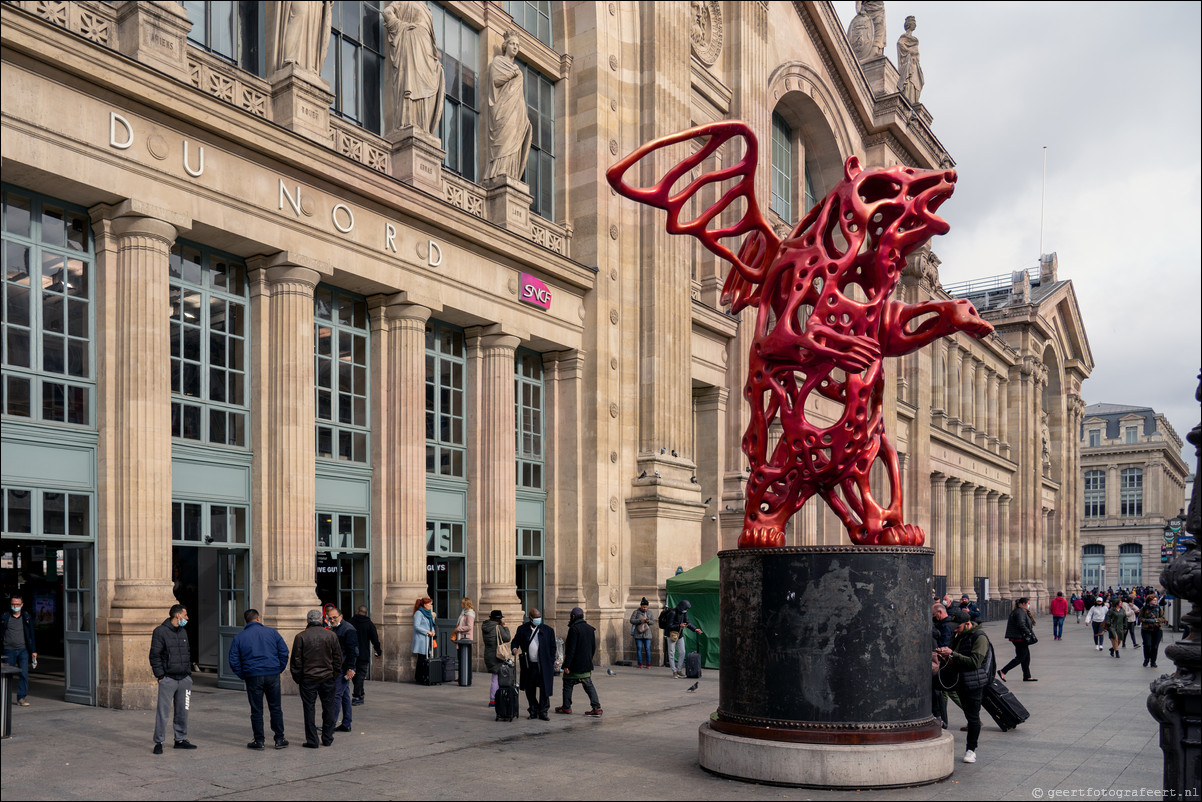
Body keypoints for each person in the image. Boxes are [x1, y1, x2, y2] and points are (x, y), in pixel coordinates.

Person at [934, 609, 993, 764]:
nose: (955, 629)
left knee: (973, 717)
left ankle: (971, 749)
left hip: (974, 682)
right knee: (966, 712)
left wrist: (953, 654)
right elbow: (955, 655)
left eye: (957, 627)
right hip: (959, 680)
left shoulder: (980, 637)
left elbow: (975, 662)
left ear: (967, 624)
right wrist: (945, 653)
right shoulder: (958, 634)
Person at [228, 609, 290, 750]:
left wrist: (243, 674)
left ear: (246, 620)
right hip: (272, 673)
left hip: (253, 675)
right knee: (275, 707)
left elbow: (233, 660)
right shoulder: (272, 632)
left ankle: (259, 740)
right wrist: (278, 668)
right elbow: (284, 652)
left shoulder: (239, 637)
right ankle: (279, 738)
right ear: (258, 618)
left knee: (256, 710)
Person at [382, 0, 445, 135]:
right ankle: (408, 122)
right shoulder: (403, 2)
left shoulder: (426, 8)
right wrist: (402, 26)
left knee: (425, 86)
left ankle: (422, 127)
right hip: (412, 43)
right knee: (410, 82)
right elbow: (387, 12)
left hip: (426, 50)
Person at [484, 29, 533, 181]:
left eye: (517, 45)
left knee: (513, 141)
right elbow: (495, 81)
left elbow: (520, 96)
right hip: (502, 109)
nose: (515, 47)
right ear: (505, 46)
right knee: (504, 141)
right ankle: (497, 172)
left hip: (516, 111)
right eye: (512, 44)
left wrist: (524, 116)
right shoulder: (498, 63)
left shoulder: (518, 70)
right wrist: (511, 74)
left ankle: (509, 173)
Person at [149, 604, 196, 754]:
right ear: (178, 616)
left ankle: (180, 739)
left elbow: (187, 653)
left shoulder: (183, 632)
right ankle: (159, 742)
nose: (187, 618)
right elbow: (154, 656)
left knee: (183, 711)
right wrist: (160, 676)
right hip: (168, 678)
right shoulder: (160, 632)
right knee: (163, 712)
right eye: (185, 615)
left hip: (184, 679)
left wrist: (188, 674)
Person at [291, 609, 341, 748]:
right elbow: (338, 658)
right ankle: (327, 737)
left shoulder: (301, 636)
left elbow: (296, 661)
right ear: (321, 620)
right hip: (327, 677)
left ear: (307, 621)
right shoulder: (331, 635)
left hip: (308, 679)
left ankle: (312, 740)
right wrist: (334, 674)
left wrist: (299, 678)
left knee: (309, 709)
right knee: (329, 708)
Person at [555, 607, 603, 717]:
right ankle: (597, 708)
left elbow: (570, 650)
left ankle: (566, 707)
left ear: (573, 616)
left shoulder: (574, 629)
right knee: (588, 685)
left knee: (567, 683)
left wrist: (566, 665)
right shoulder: (590, 629)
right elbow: (593, 648)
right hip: (586, 664)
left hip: (574, 665)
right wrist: (589, 664)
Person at [512, 607, 555, 720]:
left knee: (544, 689)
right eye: (535, 617)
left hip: (544, 665)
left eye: (539, 617)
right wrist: (514, 648)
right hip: (529, 665)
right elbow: (515, 641)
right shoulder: (522, 629)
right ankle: (533, 709)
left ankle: (543, 711)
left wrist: (550, 661)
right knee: (529, 688)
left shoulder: (548, 630)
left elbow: (553, 647)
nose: (538, 619)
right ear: (530, 618)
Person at [326, 607, 358, 731]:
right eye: (330, 618)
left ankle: (330, 725)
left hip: (343, 667)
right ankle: (346, 723)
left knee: (336, 696)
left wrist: (351, 668)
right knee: (344, 695)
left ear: (341, 616)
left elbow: (352, 651)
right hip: (341, 666)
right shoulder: (337, 628)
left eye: (335, 617)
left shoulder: (348, 629)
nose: (333, 620)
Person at [1, 594, 37, 707]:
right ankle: (5, 699)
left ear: (22, 605)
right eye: (13, 604)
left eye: (17, 604)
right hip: (8, 651)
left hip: (23, 650)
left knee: (24, 674)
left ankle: (21, 698)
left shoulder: (26, 617)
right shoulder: (5, 617)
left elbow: (31, 634)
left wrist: (33, 650)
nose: (15, 606)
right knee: (7, 676)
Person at [349, 606, 382, 706]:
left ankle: (360, 693)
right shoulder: (369, 624)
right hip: (363, 654)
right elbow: (375, 639)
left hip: (352, 653)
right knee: (360, 676)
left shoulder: (350, 622)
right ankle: (357, 696)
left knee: (355, 676)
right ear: (366, 613)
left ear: (357, 611)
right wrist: (378, 651)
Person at [999, 597, 1037, 682]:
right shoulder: (1020, 612)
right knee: (1021, 657)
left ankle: (1027, 676)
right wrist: (1029, 633)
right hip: (1019, 638)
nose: (1029, 605)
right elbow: (1021, 624)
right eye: (1028, 603)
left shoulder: (1019, 611)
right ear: (1023, 604)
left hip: (1018, 637)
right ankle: (1003, 671)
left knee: (1026, 657)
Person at [930, 602, 954, 729]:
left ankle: (942, 719)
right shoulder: (941, 625)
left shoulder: (945, 626)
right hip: (942, 663)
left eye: (935, 615)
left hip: (943, 663)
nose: (934, 618)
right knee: (943, 694)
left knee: (946, 693)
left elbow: (945, 644)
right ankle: (943, 720)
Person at [665, 600, 703, 679]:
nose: (686, 610)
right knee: (671, 653)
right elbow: (669, 626)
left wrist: (695, 629)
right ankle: (674, 671)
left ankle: (679, 670)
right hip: (671, 635)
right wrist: (679, 625)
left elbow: (687, 623)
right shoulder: (672, 613)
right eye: (686, 608)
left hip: (679, 634)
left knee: (682, 652)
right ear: (682, 607)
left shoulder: (684, 613)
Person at [481, 609, 511, 707]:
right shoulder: (498, 627)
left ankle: (493, 699)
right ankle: (494, 699)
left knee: (494, 677)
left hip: (488, 654)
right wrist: (505, 628)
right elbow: (507, 638)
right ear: (498, 619)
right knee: (497, 677)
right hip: (498, 654)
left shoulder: (485, 626)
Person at [1139, 592, 1167, 668]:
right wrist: (1146, 620)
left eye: (1156, 600)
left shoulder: (1159, 608)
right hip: (1146, 629)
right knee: (1147, 645)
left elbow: (1163, 618)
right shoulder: (1144, 608)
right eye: (1154, 600)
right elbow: (1140, 618)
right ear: (1149, 601)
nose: (1155, 601)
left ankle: (1153, 661)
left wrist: (1156, 620)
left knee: (1155, 646)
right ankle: (1146, 659)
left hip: (1157, 629)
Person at [412, 597, 436, 681]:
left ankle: (426, 676)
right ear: (425, 605)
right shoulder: (419, 613)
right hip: (421, 639)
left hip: (428, 639)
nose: (431, 605)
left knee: (427, 657)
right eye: (429, 604)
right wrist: (427, 632)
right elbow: (416, 626)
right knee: (421, 658)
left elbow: (431, 624)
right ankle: (419, 677)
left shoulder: (429, 613)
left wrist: (432, 631)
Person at [629, 597, 654, 669]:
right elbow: (631, 620)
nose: (645, 608)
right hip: (638, 634)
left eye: (646, 607)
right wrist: (640, 620)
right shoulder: (636, 612)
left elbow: (653, 622)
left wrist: (648, 621)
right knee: (639, 648)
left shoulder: (650, 612)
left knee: (647, 648)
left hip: (647, 634)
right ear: (641, 606)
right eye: (643, 607)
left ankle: (648, 664)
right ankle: (640, 664)